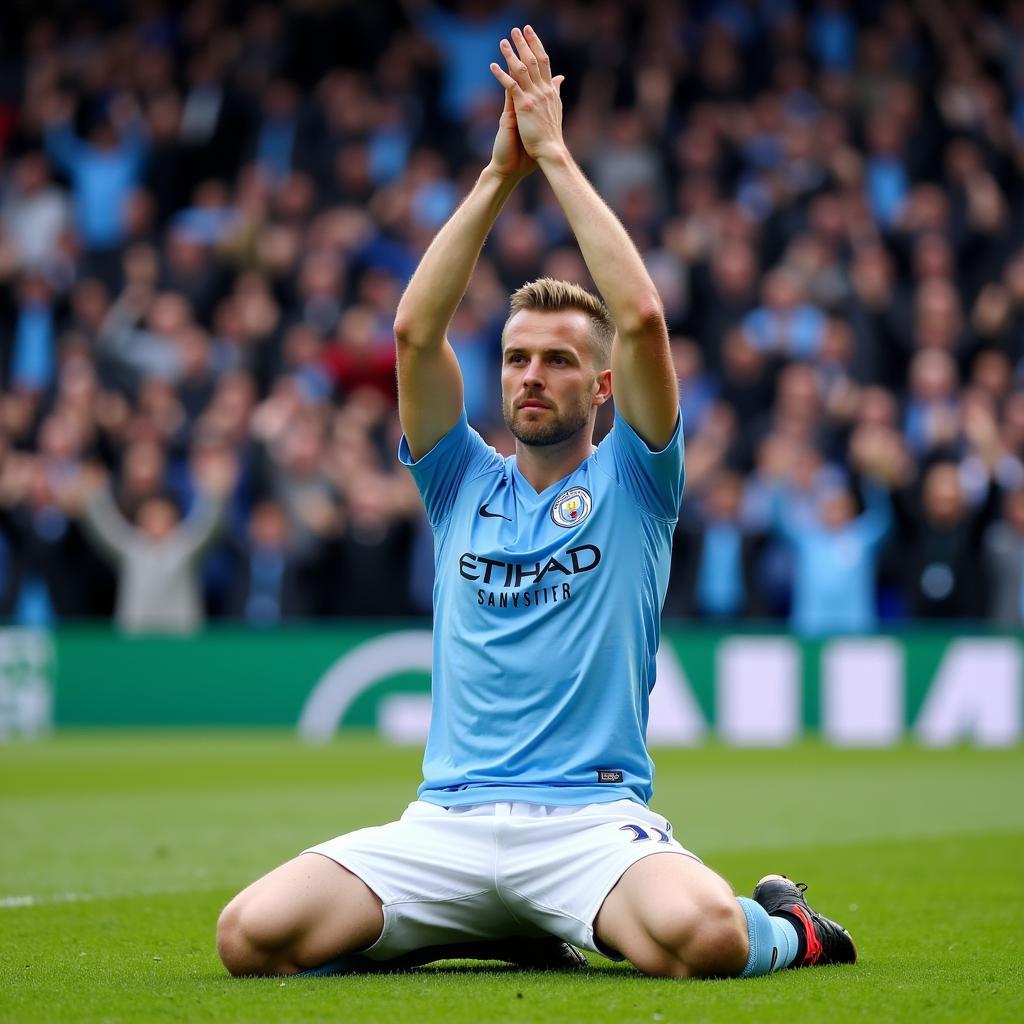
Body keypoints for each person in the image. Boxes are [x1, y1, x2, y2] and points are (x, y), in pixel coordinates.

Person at [216, 25, 855, 981]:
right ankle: (494, 922)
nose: (531, 375)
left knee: (706, 940)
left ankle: (793, 928)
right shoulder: (459, 480)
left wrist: (553, 154)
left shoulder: (637, 481)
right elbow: (412, 331)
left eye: (558, 360)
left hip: (592, 824)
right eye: (517, 357)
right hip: (448, 820)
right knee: (248, 938)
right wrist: (494, 178)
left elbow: (639, 318)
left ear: (600, 389)